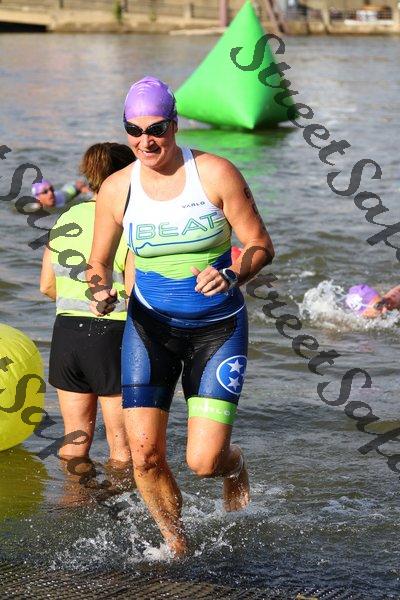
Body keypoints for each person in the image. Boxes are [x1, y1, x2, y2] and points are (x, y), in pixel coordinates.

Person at [87, 77, 275, 556]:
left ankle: (234, 465)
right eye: (134, 130)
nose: (145, 140)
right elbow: (98, 263)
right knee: (145, 457)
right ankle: (177, 544)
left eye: (156, 129)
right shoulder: (117, 188)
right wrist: (99, 290)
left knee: (204, 462)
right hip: (148, 329)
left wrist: (233, 272)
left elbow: (260, 244)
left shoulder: (214, 173)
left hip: (217, 329)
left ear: (174, 125)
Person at [40, 142, 136, 468]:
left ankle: (73, 495)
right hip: (113, 335)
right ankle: (120, 501)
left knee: (74, 441)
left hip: (67, 334)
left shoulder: (66, 217)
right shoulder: (129, 221)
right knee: (122, 448)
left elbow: (46, 285)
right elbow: (135, 290)